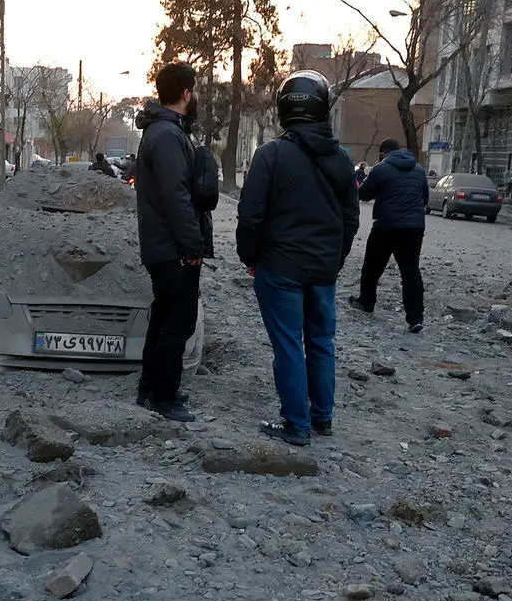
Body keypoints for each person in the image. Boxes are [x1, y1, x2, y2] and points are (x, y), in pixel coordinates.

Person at [236, 70, 360, 446]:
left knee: (288, 343)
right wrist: (334, 261)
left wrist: (250, 257)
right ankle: (322, 417)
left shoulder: (271, 154)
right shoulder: (341, 158)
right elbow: (351, 219)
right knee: (321, 342)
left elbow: (250, 215)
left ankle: (296, 424)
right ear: (322, 107)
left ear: (284, 109)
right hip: (322, 270)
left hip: (280, 268)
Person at [133, 62, 211, 422]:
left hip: (164, 245)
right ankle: (163, 397)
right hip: (172, 249)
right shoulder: (166, 134)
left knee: (164, 317)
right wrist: (192, 246)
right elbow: (176, 195)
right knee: (177, 321)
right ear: (185, 94)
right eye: (192, 91)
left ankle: (150, 390)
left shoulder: (165, 130)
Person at [351, 138, 429, 333]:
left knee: (372, 267)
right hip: (414, 229)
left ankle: (366, 302)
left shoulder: (381, 168)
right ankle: (415, 317)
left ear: (382, 153)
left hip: (386, 227)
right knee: (410, 272)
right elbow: (425, 197)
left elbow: (364, 194)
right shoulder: (418, 169)